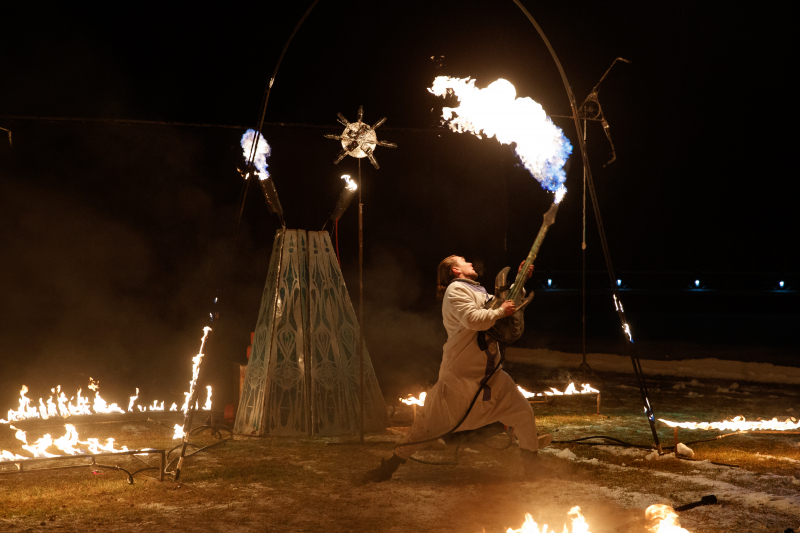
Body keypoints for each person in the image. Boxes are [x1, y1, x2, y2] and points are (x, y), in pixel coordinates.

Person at [362, 255, 552, 483]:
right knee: (425, 428)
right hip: (459, 379)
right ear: (455, 270)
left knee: (522, 412)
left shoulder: (478, 291)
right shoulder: (456, 291)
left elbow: (503, 302)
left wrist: (520, 280)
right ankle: (389, 467)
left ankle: (532, 468)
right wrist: (501, 312)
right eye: (464, 261)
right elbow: (474, 319)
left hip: (491, 375)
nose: (470, 263)